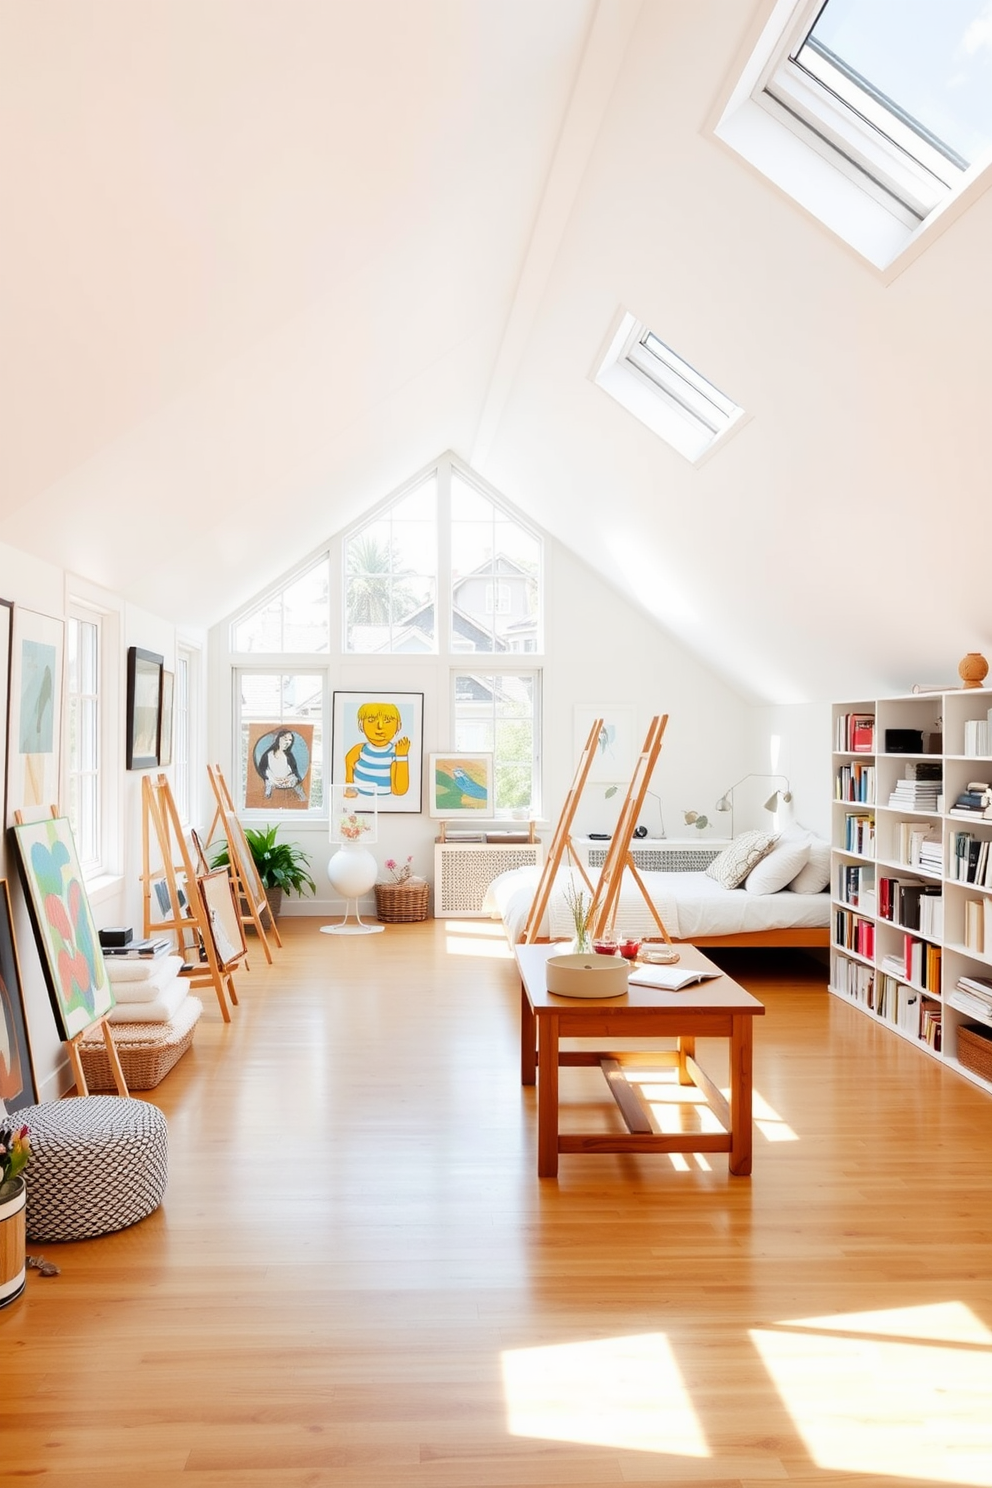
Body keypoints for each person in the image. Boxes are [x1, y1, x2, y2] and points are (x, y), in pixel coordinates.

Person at [344, 702, 410, 798]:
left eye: (388, 721)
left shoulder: (397, 752)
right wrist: (349, 790)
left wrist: (402, 757)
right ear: (361, 724)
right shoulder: (359, 750)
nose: (380, 727)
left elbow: (400, 790)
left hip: (387, 803)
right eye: (371, 720)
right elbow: (349, 768)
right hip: (360, 801)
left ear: (398, 726)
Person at [256, 729, 307, 801]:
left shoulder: (289, 756)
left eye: (290, 740)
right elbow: (263, 769)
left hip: (287, 781)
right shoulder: (268, 755)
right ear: (278, 739)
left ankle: (303, 799)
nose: (287, 742)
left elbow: (295, 773)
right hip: (273, 780)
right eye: (285, 739)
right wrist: (272, 778)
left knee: (296, 785)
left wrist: (288, 779)